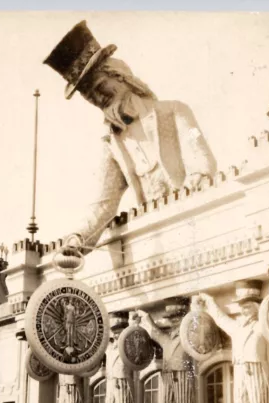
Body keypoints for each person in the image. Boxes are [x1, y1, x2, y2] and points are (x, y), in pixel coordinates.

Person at [43, 21, 216, 253]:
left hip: (196, 225)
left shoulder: (175, 111)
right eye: (91, 97)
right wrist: (77, 238)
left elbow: (201, 158)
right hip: (157, 241)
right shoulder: (112, 144)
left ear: (120, 76)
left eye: (100, 86)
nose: (98, 98)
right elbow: (104, 204)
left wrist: (195, 183)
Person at [199, 281, 269, 403]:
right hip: (239, 370)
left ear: (257, 306)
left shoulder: (263, 325)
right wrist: (209, 301)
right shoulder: (238, 328)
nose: (245, 309)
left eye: (248, 305)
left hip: (256, 369)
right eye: (242, 306)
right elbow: (221, 319)